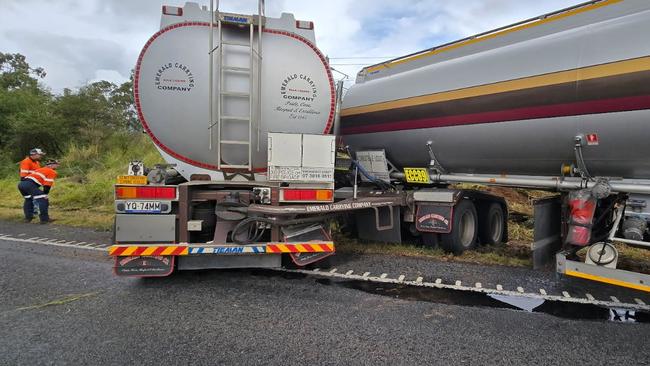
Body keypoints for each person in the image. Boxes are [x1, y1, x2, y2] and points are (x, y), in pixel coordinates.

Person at [17, 159, 60, 224]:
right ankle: (44, 220)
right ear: (51, 165)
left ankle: (28, 218)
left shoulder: (40, 169)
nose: (57, 166)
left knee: (28, 199)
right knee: (43, 200)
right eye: (56, 164)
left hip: (21, 184)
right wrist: (45, 194)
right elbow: (47, 185)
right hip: (29, 184)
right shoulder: (52, 171)